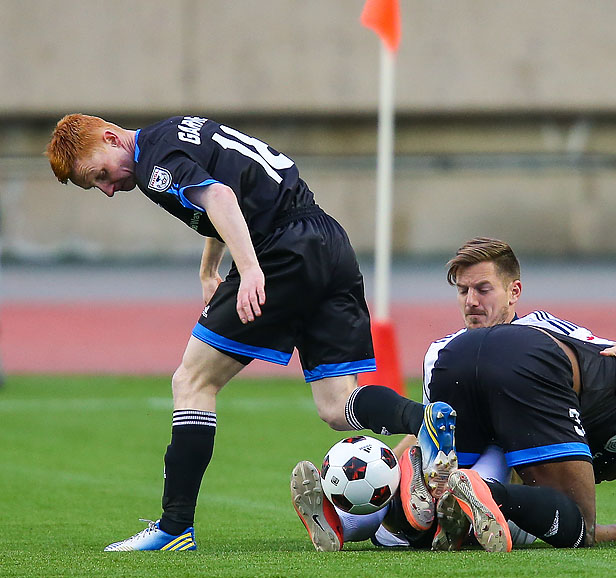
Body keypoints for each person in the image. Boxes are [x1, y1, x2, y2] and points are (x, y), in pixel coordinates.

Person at [46, 114, 430, 551]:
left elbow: (220, 196)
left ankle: (174, 527)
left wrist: (247, 269)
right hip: (327, 240)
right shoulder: (174, 131)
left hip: (281, 249)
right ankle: (426, 422)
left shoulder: (154, 161)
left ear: (112, 138)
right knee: (337, 406)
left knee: (192, 381)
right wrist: (210, 267)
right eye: (97, 186)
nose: (109, 189)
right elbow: (223, 193)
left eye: (100, 174)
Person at [291, 238, 616, 550]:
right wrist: (395, 463)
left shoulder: (541, 329)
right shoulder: (443, 351)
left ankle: (357, 520)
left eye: (482, 290)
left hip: (499, 477)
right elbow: (428, 428)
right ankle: (349, 519)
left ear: (514, 292)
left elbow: (606, 351)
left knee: (484, 460)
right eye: (463, 291)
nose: (470, 302)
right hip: (468, 479)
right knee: (441, 477)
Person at [427, 322, 616, 546]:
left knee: (432, 511)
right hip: (526, 361)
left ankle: (393, 514)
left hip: (453, 353)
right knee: (578, 524)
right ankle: (487, 490)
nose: (597, 478)